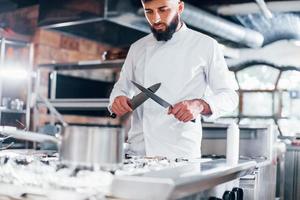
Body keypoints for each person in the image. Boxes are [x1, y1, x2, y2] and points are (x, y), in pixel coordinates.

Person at [109, 0, 238, 159]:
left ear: (180, 7)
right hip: (138, 152)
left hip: (180, 154)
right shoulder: (137, 48)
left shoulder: (206, 45)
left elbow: (230, 97)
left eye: (163, 10)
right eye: (148, 11)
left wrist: (199, 105)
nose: (155, 19)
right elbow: (121, 87)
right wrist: (117, 100)